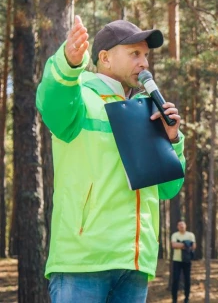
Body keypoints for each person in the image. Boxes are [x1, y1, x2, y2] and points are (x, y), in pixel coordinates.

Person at [37, 16, 186, 303]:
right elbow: (50, 100)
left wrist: (174, 141)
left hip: (135, 264)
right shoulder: (79, 98)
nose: (144, 63)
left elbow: (168, 189)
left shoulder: (149, 113)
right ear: (104, 58)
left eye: (145, 55)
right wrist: (67, 63)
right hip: (83, 262)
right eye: (134, 54)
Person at [171, 220, 196, 303]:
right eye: (179, 225)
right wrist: (186, 244)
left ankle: (186, 299)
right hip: (177, 260)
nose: (181, 226)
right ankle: (174, 299)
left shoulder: (190, 235)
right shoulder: (175, 235)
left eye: (182, 224)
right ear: (177, 227)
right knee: (175, 280)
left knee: (187, 280)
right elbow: (174, 245)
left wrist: (180, 244)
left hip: (187, 260)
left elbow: (193, 246)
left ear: (186, 226)